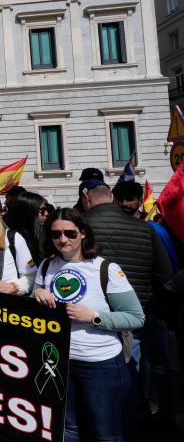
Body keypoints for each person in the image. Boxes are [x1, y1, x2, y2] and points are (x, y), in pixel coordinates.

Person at [34, 208, 144, 441]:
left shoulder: (106, 269)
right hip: (58, 363)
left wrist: (93, 317)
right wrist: (38, 294)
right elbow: (35, 312)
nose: (62, 239)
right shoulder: (45, 267)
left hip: (100, 365)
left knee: (105, 434)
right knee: (68, 430)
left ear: (83, 233)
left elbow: (135, 317)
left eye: (70, 233)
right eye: (56, 235)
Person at [83, 182, 175, 434]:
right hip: (143, 310)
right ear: (111, 198)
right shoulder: (146, 229)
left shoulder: (80, 229)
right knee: (146, 367)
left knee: (116, 373)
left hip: (98, 317)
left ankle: (119, 421)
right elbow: (164, 274)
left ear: (87, 199)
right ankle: (155, 416)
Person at [4, 191, 45, 265]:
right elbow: (28, 264)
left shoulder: (37, 233)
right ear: (29, 212)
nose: (46, 214)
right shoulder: (18, 239)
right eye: (42, 211)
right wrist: (35, 268)